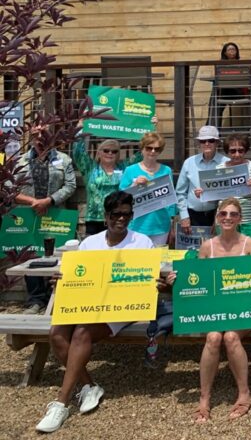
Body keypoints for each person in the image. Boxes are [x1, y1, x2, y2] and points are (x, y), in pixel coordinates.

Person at [35, 191, 156, 433]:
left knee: (81, 333)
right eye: (116, 214)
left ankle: (61, 403)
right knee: (56, 334)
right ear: (105, 216)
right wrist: (61, 279)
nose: (121, 219)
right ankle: (89, 386)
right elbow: (78, 275)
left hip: (122, 307)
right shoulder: (90, 243)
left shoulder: (142, 242)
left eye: (126, 214)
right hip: (90, 303)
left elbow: (149, 281)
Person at [169, 197, 251, 422]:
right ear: (217, 217)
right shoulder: (206, 247)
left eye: (233, 214)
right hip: (217, 310)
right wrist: (176, 282)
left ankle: (244, 395)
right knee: (212, 337)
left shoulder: (250, 244)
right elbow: (198, 282)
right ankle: (204, 398)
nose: (228, 218)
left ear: (239, 219)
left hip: (243, 310)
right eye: (223, 214)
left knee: (230, 337)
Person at [14, 124, 77, 314]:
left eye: (44, 133)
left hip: (55, 215)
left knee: (57, 256)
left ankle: (55, 296)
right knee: (31, 255)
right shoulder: (19, 161)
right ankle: (35, 300)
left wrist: (48, 201)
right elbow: (10, 189)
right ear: (31, 136)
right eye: (36, 133)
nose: (40, 137)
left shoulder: (63, 159)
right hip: (29, 216)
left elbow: (70, 185)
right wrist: (34, 202)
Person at [71, 135, 139, 237]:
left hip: (117, 218)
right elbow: (78, 152)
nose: (110, 153)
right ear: (99, 152)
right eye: (106, 150)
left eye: (114, 151)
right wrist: (80, 130)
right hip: (94, 220)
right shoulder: (90, 168)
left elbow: (143, 154)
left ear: (118, 154)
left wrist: (150, 128)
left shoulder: (124, 168)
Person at [120, 132, 175, 246]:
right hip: (137, 225)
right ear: (142, 149)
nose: (153, 151)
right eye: (149, 148)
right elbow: (121, 197)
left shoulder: (166, 170)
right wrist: (134, 185)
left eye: (157, 149)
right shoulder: (130, 170)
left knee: (157, 261)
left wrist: (172, 222)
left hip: (160, 226)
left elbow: (171, 201)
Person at [175, 125, 229, 230]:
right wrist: (184, 216)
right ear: (199, 143)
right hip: (192, 216)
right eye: (203, 141)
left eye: (211, 140)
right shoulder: (189, 163)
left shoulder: (226, 163)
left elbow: (228, 193)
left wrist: (219, 218)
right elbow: (180, 193)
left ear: (217, 142)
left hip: (217, 214)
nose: (207, 143)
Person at [221, 133, 251, 241]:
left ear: (245, 151)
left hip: (250, 219)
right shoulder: (219, 168)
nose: (237, 154)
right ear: (227, 152)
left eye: (240, 150)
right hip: (226, 219)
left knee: (250, 254)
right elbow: (214, 196)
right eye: (233, 151)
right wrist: (203, 192)